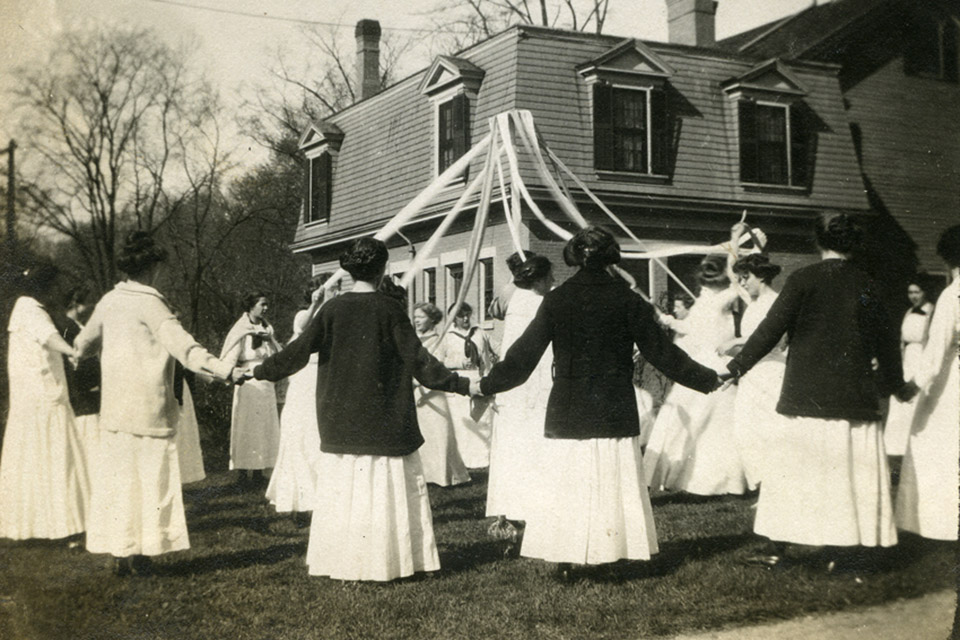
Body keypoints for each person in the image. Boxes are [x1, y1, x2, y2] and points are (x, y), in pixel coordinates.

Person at [477, 227, 723, 579]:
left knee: (568, 483)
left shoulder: (557, 300)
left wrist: (486, 384)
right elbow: (662, 353)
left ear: (575, 257)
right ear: (612, 258)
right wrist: (708, 378)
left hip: (568, 407)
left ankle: (565, 559)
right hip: (612, 406)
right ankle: (610, 557)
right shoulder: (627, 299)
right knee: (611, 482)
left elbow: (522, 358)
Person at [251, 237, 473, 582]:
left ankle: (343, 562)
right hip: (385, 423)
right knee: (389, 493)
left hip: (341, 423)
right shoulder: (390, 310)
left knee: (345, 493)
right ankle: (396, 562)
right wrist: (463, 385)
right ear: (383, 268)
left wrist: (256, 372)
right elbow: (421, 362)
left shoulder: (332, 309)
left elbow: (296, 354)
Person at [727, 212, 911, 569]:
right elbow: (888, 344)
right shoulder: (867, 283)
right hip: (853, 397)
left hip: (805, 395)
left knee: (793, 473)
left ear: (818, 243)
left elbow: (768, 331)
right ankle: (844, 553)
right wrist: (897, 386)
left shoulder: (803, 279)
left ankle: (778, 548)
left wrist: (735, 368)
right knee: (847, 475)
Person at [75, 231, 240, 576]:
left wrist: (86, 352)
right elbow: (186, 348)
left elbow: (83, 342)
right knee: (149, 485)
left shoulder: (109, 300)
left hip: (116, 413)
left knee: (120, 485)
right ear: (152, 267)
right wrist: (226, 370)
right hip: (148, 411)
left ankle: (121, 555)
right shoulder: (151, 303)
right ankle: (141, 556)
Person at [643, 236, 747, 496]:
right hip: (707, 365)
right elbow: (687, 327)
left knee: (703, 423)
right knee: (705, 423)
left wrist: (735, 243)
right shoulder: (706, 302)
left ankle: (708, 479)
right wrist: (661, 317)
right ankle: (706, 479)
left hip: (713, 365)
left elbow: (735, 281)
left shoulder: (720, 299)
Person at [0, 262, 90, 543]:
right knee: (57, 460)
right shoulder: (30, 310)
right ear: (45, 288)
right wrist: (73, 352)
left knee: (35, 462)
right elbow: (50, 339)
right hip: (43, 398)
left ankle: (43, 526)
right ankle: (65, 525)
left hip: (34, 400)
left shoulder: (24, 309)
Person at [484, 252, 554, 555]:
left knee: (513, 452)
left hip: (512, 389)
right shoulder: (542, 303)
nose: (554, 282)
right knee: (537, 450)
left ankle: (512, 518)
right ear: (539, 279)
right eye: (550, 277)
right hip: (537, 387)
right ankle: (537, 519)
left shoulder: (514, 301)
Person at [895, 225, 959, 541]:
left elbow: (936, 351)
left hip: (953, 378)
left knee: (934, 442)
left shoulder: (952, 294)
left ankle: (939, 522)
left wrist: (912, 386)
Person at [266, 275, 335, 520]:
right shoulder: (305, 314)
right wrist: (315, 305)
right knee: (301, 436)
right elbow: (301, 329)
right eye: (330, 289)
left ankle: (322, 501)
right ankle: (299, 501)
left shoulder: (336, 315)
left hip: (327, 380)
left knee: (321, 438)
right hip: (306, 382)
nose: (334, 293)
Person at [721, 252, 786, 490]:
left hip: (771, 373)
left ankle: (773, 488)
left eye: (746, 277)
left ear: (761, 277)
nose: (743, 282)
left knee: (769, 430)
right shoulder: (754, 302)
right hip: (752, 374)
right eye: (740, 278)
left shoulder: (775, 302)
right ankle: (763, 485)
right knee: (745, 430)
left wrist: (735, 341)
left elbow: (776, 339)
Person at [221, 292, 282, 487]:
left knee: (263, 426)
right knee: (247, 427)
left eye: (267, 305)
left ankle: (259, 471)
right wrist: (229, 372)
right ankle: (242, 472)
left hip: (265, 380)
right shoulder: (241, 329)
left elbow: (277, 354)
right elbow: (230, 355)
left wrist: (270, 339)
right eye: (262, 304)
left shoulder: (267, 328)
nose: (266, 308)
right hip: (248, 382)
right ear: (251, 306)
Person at [412, 302, 471, 487]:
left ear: (431, 319)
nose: (416, 321)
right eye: (415, 318)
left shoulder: (440, 339)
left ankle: (448, 476)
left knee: (440, 434)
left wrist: (462, 363)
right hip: (415, 394)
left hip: (434, 393)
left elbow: (442, 363)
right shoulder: (412, 340)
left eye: (420, 317)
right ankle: (426, 475)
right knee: (422, 435)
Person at [883, 278, 935, 457]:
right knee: (900, 400)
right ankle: (896, 447)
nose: (913, 296)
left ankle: (917, 442)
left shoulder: (931, 311)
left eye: (917, 292)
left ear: (925, 292)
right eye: (910, 292)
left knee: (918, 396)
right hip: (908, 358)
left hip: (922, 357)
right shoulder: (908, 312)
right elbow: (902, 341)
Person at [443, 302, 495, 468]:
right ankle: (463, 461)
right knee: (461, 422)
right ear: (453, 318)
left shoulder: (480, 333)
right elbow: (438, 361)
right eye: (461, 316)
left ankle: (482, 460)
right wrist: (458, 362)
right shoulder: (447, 336)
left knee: (481, 420)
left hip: (480, 380)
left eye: (467, 315)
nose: (465, 319)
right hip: (458, 384)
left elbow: (498, 348)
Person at [60, 285, 101, 473]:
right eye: (86, 303)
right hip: (82, 391)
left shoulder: (78, 326)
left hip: (91, 389)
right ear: (76, 304)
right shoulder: (67, 328)